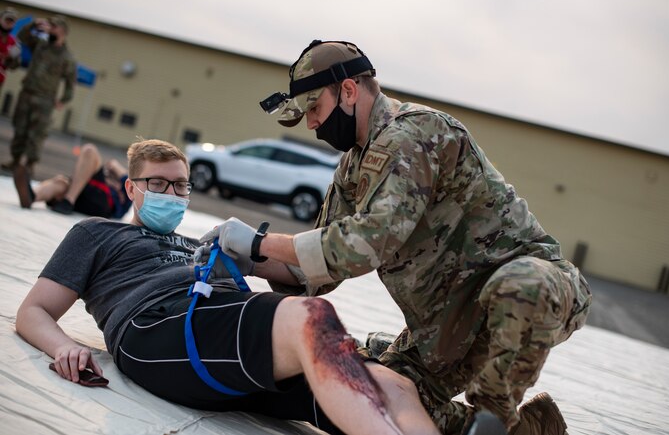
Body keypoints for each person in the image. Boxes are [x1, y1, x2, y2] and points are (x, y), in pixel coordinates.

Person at [205, 40, 593, 435]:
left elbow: (366, 243)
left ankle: (492, 418)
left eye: (315, 109)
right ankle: (524, 431)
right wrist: (250, 259)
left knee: (521, 285)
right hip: (444, 329)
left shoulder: (414, 134)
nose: (312, 124)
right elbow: (318, 268)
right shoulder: (353, 167)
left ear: (349, 91)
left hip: (534, 292)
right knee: (369, 400)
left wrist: (258, 241)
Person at [15, 138, 440, 435]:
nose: (172, 193)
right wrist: (62, 347)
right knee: (311, 318)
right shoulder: (99, 233)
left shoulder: (198, 243)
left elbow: (302, 278)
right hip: (157, 327)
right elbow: (33, 311)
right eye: (158, 184)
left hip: (225, 342)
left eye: (180, 185)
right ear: (131, 187)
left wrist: (253, 252)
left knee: (391, 385)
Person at [2, 14, 76, 173]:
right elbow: (21, 37)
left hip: (45, 100)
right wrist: (34, 25)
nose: (50, 29)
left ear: (63, 31)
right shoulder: (40, 45)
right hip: (27, 93)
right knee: (19, 127)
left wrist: (64, 99)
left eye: (54, 26)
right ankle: (15, 161)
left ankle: (29, 166)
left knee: (37, 134)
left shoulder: (67, 57)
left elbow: (71, 83)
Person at [12, 142, 132, 218]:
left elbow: (122, 173)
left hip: (101, 203)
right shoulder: (95, 179)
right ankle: (32, 196)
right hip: (81, 200)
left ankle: (68, 200)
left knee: (90, 150)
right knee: (60, 182)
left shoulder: (126, 189)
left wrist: (114, 165)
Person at [0, 7, 21, 94]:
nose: (8, 23)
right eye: (6, 19)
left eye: (11, 21)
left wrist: (9, 59)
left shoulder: (14, 42)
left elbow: (14, 66)